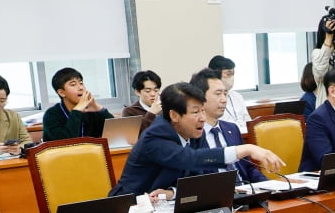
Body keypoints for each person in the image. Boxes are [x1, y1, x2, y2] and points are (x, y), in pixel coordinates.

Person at [110, 82, 281, 199]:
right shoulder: (155, 136)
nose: (202, 118)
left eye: (202, 111)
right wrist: (244, 149)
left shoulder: (195, 133)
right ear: (174, 115)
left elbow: (197, 178)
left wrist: (172, 193)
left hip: (166, 206)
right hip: (130, 208)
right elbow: (190, 159)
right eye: (195, 112)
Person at [190, 68, 266, 185]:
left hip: (245, 193)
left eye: (225, 94)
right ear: (200, 97)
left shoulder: (231, 128)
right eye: (218, 94)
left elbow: (248, 169)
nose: (224, 100)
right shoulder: (191, 135)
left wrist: (271, 186)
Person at [41, 67, 113, 142]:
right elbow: (66, 142)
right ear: (61, 93)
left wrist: (99, 109)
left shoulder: (90, 111)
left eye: (81, 83)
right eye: (73, 84)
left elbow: (115, 133)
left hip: (90, 153)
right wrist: (77, 110)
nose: (81, 88)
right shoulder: (51, 115)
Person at [208, 55, 249, 132]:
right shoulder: (210, 98)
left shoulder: (237, 96)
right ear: (216, 74)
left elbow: (248, 121)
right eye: (228, 74)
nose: (232, 77)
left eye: (233, 74)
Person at [121, 69, 162, 134]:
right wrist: (151, 114)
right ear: (137, 92)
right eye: (148, 91)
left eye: (156, 90)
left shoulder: (164, 108)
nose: (153, 94)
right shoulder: (130, 111)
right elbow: (135, 136)